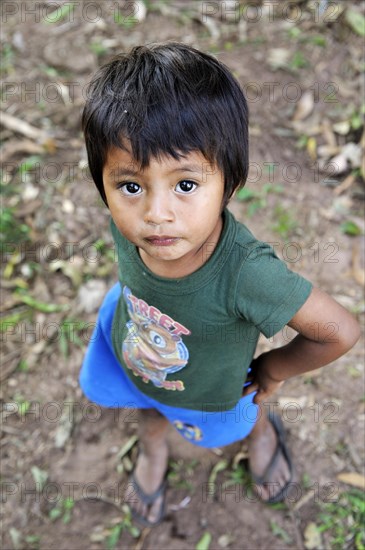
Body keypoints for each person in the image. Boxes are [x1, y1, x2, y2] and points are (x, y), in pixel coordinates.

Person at [79, 42, 360, 527]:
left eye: (185, 184)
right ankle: (152, 448)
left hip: (212, 386)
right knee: (145, 404)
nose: (155, 214)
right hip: (135, 346)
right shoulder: (132, 224)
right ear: (103, 184)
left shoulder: (246, 273)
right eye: (130, 186)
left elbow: (339, 331)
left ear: (230, 183)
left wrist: (272, 370)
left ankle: (260, 433)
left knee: (244, 415)